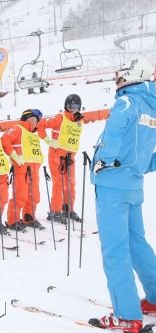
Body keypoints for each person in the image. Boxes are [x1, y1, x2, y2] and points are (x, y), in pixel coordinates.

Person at [89, 58, 156, 332]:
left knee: (115, 249)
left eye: (119, 76)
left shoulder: (126, 102)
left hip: (112, 185)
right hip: (133, 184)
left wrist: (104, 159)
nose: (116, 82)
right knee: (136, 243)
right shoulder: (152, 109)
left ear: (129, 77)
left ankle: (127, 316)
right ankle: (153, 298)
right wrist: (140, 167)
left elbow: (114, 131)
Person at [37, 94, 85, 224]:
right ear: (66, 106)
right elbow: (41, 125)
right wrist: (47, 140)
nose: (72, 108)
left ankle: (68, 209)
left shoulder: (79, 120)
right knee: (58, 185)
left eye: (75, 106)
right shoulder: (60, 118)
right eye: (70, 106)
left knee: (70, 184)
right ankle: (55, 211)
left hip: (70, 158)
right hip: (56, 156)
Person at [1, 109, 44, 232]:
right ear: (24, 119)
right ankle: (12, 221)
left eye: (36, 121)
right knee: (20, 196)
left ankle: (29, 217)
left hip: (34, 170)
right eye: (31, 120)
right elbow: (5, 139)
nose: (34, 123)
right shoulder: (18, 128)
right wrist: (14, 155)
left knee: (35, 196)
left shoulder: (33, 135)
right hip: (21, 169)